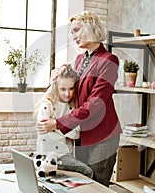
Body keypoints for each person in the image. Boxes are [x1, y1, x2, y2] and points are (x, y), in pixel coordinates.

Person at [39, 11, 122, 186]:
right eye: (72, 32)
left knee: (96, 186)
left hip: (103, 136)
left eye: (76, 30)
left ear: (90, 28)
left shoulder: (109, 60)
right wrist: (58, 77)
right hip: (81, 134)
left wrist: (59, 123)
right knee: (80, 183)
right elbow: (73, 92)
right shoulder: (79, 59)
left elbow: (95, 103)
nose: (74, 36)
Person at [34, 64, 93, 178]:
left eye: (71, 88)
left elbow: (76, 134)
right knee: (87, 171)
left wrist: (55, 125)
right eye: (63, 89)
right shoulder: (47, 104)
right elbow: (44, 131)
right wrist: (66, 126)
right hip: (52, 156)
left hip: (65, 154)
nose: (67, 93)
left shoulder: (72, 106)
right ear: (56, 87)